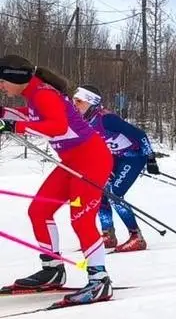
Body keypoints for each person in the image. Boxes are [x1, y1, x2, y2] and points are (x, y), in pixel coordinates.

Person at [0, 55, 114, 305]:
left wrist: (14, 127)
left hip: (92, 160)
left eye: (2, 81)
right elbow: (29, 116)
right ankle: (52, 270)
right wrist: (5, 115)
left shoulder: (43, 94)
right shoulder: (35, 95)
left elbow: (58, 127)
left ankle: (99, 280)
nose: (1, 86)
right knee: (39, 210)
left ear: (14, 77)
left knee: (81, 220)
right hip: (72, 162)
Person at [73, 84, 158, 253]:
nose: (75, 104)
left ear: (91, 103)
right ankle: (108, 235)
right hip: (116, 157)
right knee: (100, 191)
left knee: (115, 194)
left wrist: (150, 158)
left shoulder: (106, 119)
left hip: (134, 157)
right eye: (74, 101)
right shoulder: (84, 120)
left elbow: (139, 134)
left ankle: (137, 237)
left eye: (79, 101)